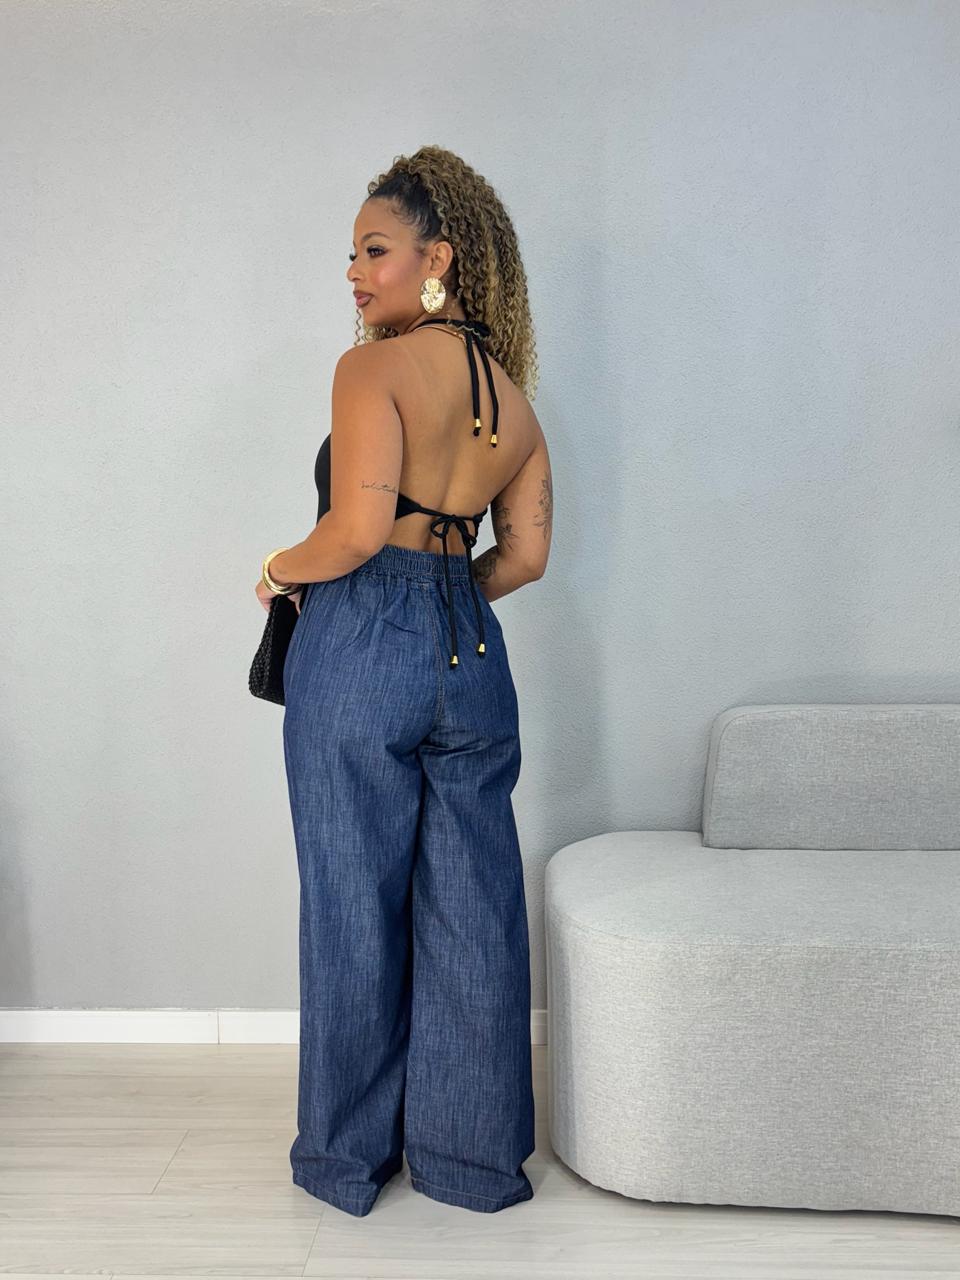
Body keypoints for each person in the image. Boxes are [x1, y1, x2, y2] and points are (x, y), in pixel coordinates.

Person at [255, 145, 553, 1217]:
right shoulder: (515, 406)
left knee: (352, 902)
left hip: (362, 643)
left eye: (373, 251)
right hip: (472, 654)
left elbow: (355, 529)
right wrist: (447, 595)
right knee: (475, 909)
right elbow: (525, 558)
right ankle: (471, 1164)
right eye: (351, 255)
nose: (353, 273)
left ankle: (345, 1161)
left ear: (439, 259)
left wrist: (276, 567)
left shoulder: (371, 372)